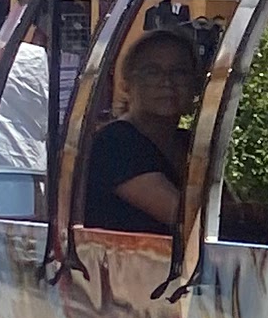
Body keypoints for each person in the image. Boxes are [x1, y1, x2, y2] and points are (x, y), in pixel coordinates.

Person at [81, 23, 203, 236]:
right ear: (126, 84)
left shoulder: (188, 144)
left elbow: (227, 210)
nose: (167, 82)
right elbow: (186, 219)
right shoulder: (115, 144)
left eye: (180, 72)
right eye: (152, 72)